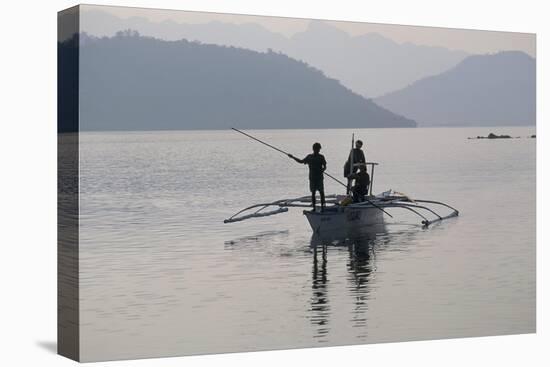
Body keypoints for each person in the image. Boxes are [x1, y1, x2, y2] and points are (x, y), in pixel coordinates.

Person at [288, 142, 327, 211]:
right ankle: (314, 207)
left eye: (318, 149)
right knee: (313, 193)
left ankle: (323, 206)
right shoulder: (309, 157)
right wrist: (292, 157)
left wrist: (322, 170)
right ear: (313, 149)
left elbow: (325, 166)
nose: (318, 150)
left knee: (321, 192)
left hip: (319, 177)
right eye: (317, 149)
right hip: (312, 178)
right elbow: (301, 161)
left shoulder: (321, 157)